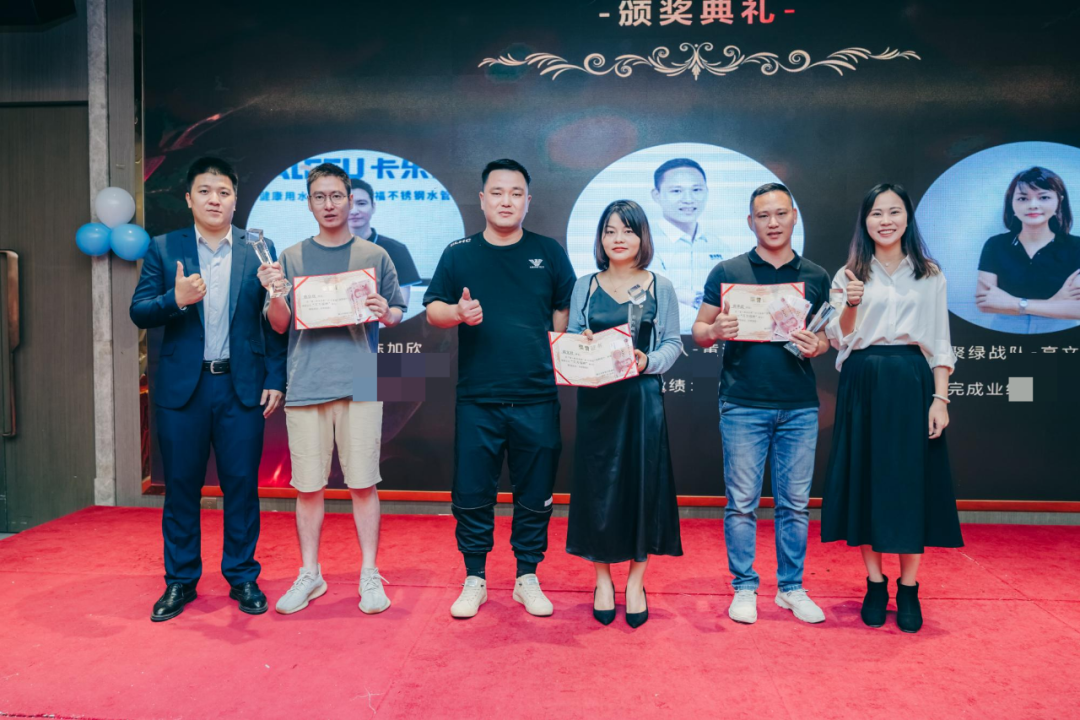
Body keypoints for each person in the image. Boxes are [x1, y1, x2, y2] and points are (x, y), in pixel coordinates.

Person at [130, 156, 286, 622]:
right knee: (181, 487)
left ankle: (242, 575)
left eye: (223, 192)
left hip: (241, 387)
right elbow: (140, 311)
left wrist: (275, 378)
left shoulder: (259, 247)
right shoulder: (164, 248)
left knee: (242, 486)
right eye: (205, 191)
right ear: (188, 199)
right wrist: (175, 300)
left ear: (236, 200)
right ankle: (180, 580)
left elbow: (273, 326)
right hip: (184, 390)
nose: (214, 199)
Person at [424, 159, 576, 619]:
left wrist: (554, 347)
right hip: (478, 398)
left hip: (537, 396)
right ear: (482, 198)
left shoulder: (548, 251)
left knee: (536, 492)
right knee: (473, 492)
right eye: (497, 192)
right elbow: (433, 308)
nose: (506, 201)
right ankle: (475, 576)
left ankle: (527, 575)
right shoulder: (459, 253)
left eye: (515, 193)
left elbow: (564, 309)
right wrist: (458, 314)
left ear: (528, 201)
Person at [262, 163, 406, 615]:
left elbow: (396, 313)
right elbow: (279, 325)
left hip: (362, 378)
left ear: (350, 200)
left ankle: (369, 573)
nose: (329, 205)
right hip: (306, 380)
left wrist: (385, 311)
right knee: (308, 487)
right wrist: (277, 294)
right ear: (308, 203)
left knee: (363, 483)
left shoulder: (375, 255)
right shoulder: (290, 258)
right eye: (320, 197)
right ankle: (310, 573)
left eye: (337, 196)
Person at [822, 183, 963, 633]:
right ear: (864, 221)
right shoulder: (848, 275)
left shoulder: (929, 273)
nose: (885, 221)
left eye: (894, 211)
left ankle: (908, 587)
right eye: (876, 213)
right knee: (866, 480)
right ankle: (875, 582)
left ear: (907, 218)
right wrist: (851, 304)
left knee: (908, 484)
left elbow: (939, 340)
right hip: (862, 379)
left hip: (910, 380)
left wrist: (940, 398)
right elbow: (839, 338)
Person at [691, 182, 831, 626]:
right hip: (743, 402)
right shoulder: (728, 271)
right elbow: (699, 330)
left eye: (780, 214)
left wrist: (816, 345)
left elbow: (826, 337)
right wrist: (716, 331)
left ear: (793, 217)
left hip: (799, 405)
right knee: (742, 502)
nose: (773, 223)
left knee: (795, 504)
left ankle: (791, 588)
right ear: (750, 222)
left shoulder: (815, 275)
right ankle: (744, 586)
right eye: (763, 216)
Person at [565, 200, 684, 628]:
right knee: (597, 489)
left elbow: (673, 343)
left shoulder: (660, 285)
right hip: (597, 401)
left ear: (642, 237)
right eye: (610, 231)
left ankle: (636, 582)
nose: (618, 239)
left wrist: (647, 360)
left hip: (641, 400)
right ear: (600, 238)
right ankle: (602, 580)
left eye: (628, 231)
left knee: (641, 488)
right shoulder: (585, 285)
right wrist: (582, 343)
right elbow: (571, 336)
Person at [976, 166, 1080, 333]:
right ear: (1011, 203)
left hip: (1061, 333)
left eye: (1044, 197)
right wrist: (1055, 303)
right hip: (1005, 333)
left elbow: (1077, 309)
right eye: (1023, 198)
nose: (1033, 205)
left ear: (1059, 201)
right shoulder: (995, 244)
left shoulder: (1076, 246)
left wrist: (1015, 303)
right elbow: (985, 303)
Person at [649, 158, 727, 332]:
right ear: (656, 195)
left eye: (696, 190)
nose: (688, 199)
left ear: (706, 192)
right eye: (676, 191)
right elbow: (654, 302)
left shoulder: (718, 245)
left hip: (714, 341)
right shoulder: (644, 243)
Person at [348, 179, 423, 307]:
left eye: (361, 203)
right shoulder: (327, 249)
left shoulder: (396, 250)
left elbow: (400, 306)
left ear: (373, 206)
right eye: (347, 204)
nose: (354, 210)